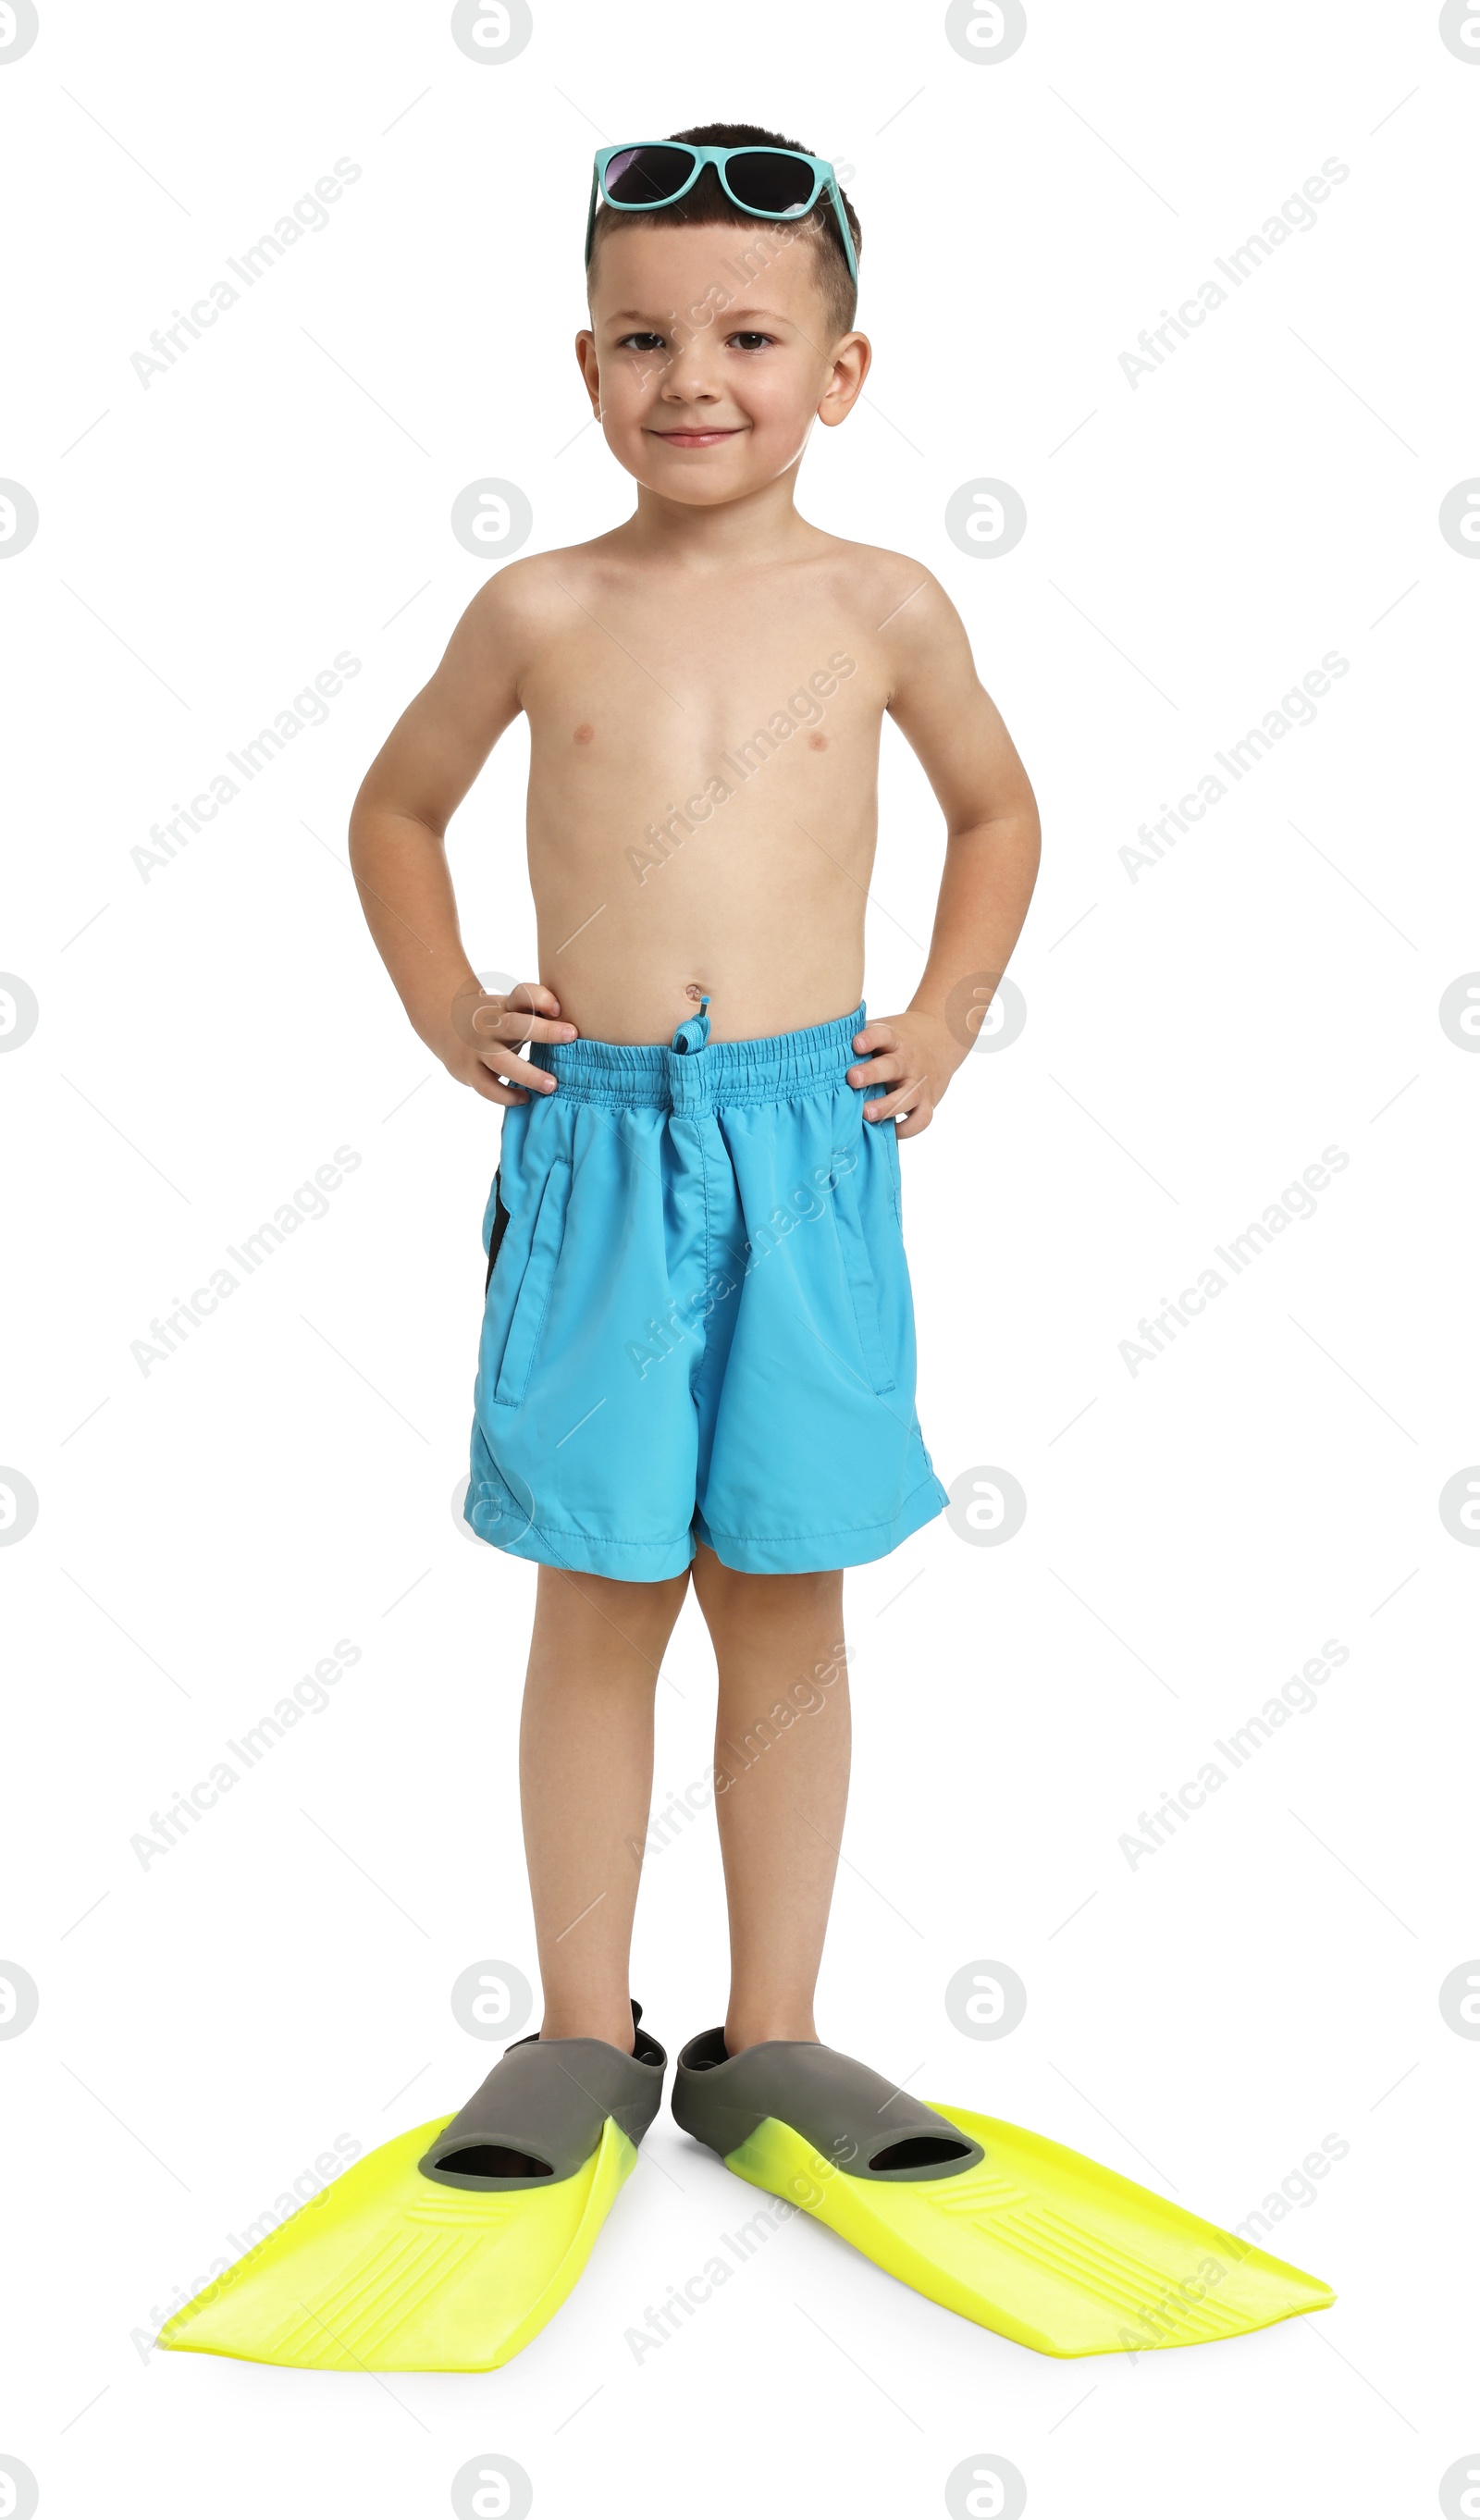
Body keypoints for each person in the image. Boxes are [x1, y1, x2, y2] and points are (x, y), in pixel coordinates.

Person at [348, 122, 1040, 2072]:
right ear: (585, 368)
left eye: (744, 338)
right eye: (640, 341)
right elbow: (393, 809)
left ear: (838, 372)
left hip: (810, 1143)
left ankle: (780, 2038)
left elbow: (996, 809)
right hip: (596, 1156)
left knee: (782, 1587)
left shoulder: (887, 604)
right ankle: (579, 2032)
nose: (690, 382)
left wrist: (950, 1012)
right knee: (599, 1586)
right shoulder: (540, 610)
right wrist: (441, 1004)